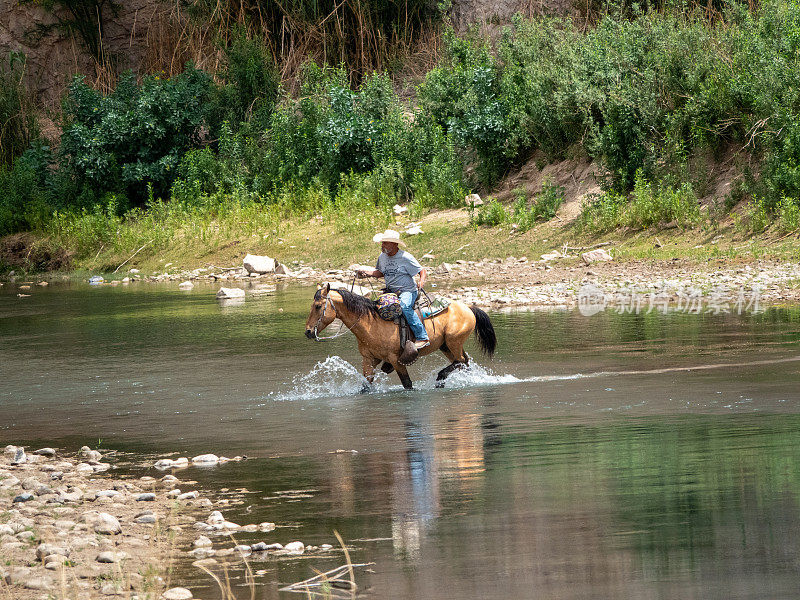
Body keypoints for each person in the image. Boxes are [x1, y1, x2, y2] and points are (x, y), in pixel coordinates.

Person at [356, 229, 430, 350]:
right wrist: (367, 273)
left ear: (394, 244)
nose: (382, 245)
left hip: (407, 291)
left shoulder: (405, 257)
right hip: (391, 291)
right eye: (382, 242)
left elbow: (422, 270)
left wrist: (421, 281)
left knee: (404, 307)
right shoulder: (382, 257)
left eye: (385, 243)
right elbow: (380, 272)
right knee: (375, 309)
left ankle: (422, 337)